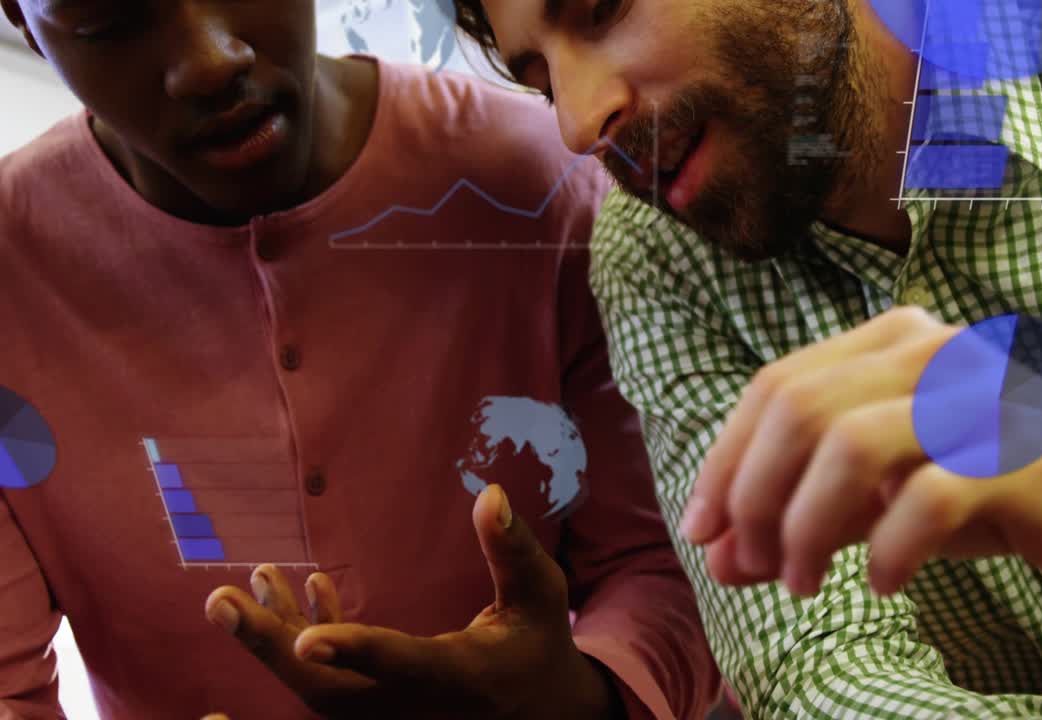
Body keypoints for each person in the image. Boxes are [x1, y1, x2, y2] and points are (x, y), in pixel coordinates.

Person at [450, 0, 1042, 717]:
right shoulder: (658, 257)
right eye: (540, 79)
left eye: (603, 7)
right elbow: (819, 669)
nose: (574, 122)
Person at [0, 1, 720, 718]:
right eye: (109, 16)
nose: (211, 61)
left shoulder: (547, 191)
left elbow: (670, 569)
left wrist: (585, 698)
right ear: (21, 17)